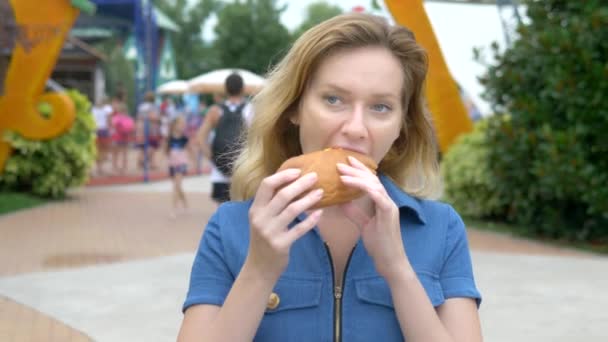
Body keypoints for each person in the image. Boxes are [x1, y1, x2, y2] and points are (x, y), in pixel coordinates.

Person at [179, 13, 482, 342]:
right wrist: (259, 270)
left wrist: (399, 272)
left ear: (401, 127)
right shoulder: (231, 228)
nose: (355, 128)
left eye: (380, 107)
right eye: (333, 99)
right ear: (294, 108)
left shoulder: (441, 229)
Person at [196, 76, 253, 205]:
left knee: (222, 211)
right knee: (241, 210)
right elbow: (257, 139)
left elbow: (200, 137)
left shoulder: (215, 110)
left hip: (219, 169)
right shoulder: (250, 110)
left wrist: (211, 156)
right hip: (241, 169)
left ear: (226, 90)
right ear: (243, 89)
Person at [166, 116, 193, 218]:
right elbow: (165, 150)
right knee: (178, 186)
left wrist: (193, 162)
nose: (182, 126)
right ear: (175, 125)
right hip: (172, 163)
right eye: (180, 124)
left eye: (183, 124)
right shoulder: (169, 138)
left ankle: (173, 209)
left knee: (176, 186)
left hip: (181, 163)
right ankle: (185, 203)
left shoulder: (184, 138)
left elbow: (190, 149)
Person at [91, 97, 113, 175]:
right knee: (103, 150)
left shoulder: (93, 110)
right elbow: (109, 121)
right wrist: (111, 129)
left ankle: (98, 167)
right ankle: (100, 168)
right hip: (103, 130)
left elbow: (92, 120)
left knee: (98, 150)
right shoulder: (106, 110)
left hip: (96, 130)